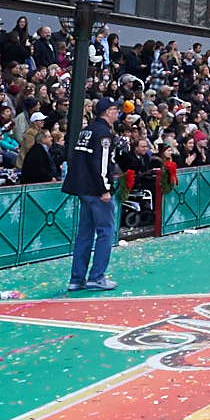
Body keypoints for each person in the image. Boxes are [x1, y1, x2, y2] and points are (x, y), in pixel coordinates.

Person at [66, 97, 123, 292]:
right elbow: (102, 163)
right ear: (108, 111)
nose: (118, 113)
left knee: (84, 234)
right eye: (116, 109)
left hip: (82, 188)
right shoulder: (104, 133)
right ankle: (97, 276)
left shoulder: (87, 130)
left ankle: (76, 278)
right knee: (105, 232)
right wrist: (105, 188)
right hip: (97, 191)